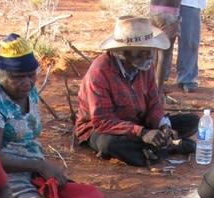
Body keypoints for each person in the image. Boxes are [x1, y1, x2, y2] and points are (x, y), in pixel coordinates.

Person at [75, 16, 200, 167]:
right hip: (104, 129)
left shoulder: (145, 66)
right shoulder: (100, 71)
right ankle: (167, 148)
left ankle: (157, 147)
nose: (148, 56)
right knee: (109, 144)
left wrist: (163, 126)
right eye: (141, 52)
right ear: (123, 53)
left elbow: (154, 102)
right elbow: (102, 121)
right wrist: (142, 133)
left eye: (149, 50)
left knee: (192, 121)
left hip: (139, 122)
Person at [0, 34, 69, 198]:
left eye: (31, 75)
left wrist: (39, 166)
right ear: (1, 75)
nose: (27, 82)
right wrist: (39, 165)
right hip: (6, 174)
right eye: (18, 77)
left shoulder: (30, 92)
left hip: (33, 165)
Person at [177, 0, 207, 93]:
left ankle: (186, 77)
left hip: (189, 3)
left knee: (189, 42)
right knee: (163, 42)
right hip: (166, 5)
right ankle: (158, 78)